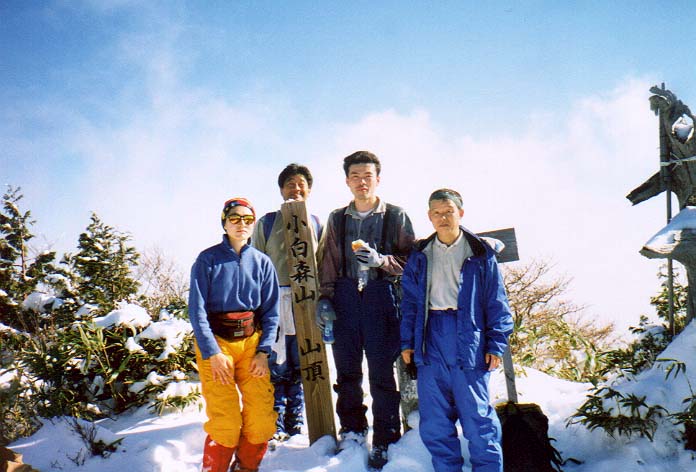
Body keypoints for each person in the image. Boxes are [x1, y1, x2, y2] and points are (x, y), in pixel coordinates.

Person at [400, 188, 513, 472]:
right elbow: (410, 302)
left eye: (448, 211)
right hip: (430, 339)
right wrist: (407, 343)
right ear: (429, 217)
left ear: (460, 213)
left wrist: (495, 344)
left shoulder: (480, 253)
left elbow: (496, 302)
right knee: (435, 423)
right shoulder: (421, 254)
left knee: (478, 419)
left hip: (469, 338)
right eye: (437, 213)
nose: (443, 218)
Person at [316, 150, 415, 470]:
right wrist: (325, 298)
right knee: (347, 371)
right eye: (355, 176)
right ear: (347, 181)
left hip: (380, 296)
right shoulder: (337, 218)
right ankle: (353, 432)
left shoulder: (395, 216)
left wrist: (382, 261)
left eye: (367, 176)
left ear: (378, 179)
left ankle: (386, 437)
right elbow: (328, 261)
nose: (362, 182)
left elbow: (412, 261)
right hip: (345, 297)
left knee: (382, 373)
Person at [188, 197, 280, 472]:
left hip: (251, 344)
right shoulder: (207, 260)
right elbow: (197, 311)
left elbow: (271, 313)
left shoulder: (262, 263)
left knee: (261, 419)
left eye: (248, 219)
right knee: (225, 422)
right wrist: (212, 353)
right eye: (235, 218)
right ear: (224, 223)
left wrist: (263, 352)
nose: (242, 224)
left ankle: (245, 468)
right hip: (217, 344)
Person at [251, 163, 322, 441]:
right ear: (281, 190)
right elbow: (254, 265)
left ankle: (297, 423)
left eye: (301, 184)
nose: (296, 189)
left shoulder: (316, 223)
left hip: (306, 301)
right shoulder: (267, 223)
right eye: (290, 184)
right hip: (274, 302)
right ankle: (276, 423)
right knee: (276, 364)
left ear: (309, 190)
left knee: (303, 362)